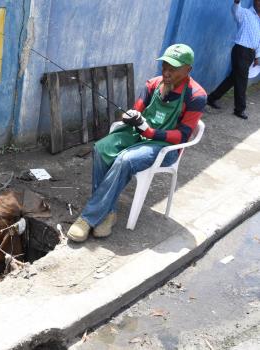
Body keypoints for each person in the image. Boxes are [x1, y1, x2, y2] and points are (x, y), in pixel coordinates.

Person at [67, 44, 207, 242]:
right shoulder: (153, 84)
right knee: (101, 148)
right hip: (139, 134)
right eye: (164, 66)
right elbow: (135, 110)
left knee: (125, 160)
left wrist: (150, 131)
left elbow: (183, 136)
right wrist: (130, 116)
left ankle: (88, 218)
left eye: (173, 69)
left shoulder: (196, 96)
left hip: (165, 147)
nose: (166, 72)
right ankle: (108, 213)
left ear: (188, 70)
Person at [207, 0, 260, 120]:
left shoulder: (259, 21)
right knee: (242, 80)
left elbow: (259, 41)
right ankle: (239, 109)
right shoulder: (245, 13)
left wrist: (257, 56)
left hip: (251, 53)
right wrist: (237, 2)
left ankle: (212, 98)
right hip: (241, 50)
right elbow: (236, 10)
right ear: (254, 2)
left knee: (233, 79)